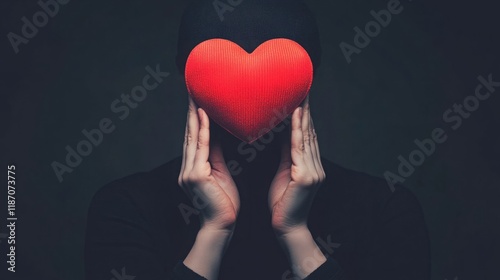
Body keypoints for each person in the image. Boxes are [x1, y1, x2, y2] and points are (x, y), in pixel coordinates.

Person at [84, 0, 430, 279]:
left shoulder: (386, 210)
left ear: (309, 76)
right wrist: (213, 233)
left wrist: (296, 236)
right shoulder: (125, 207)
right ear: (187, 76)